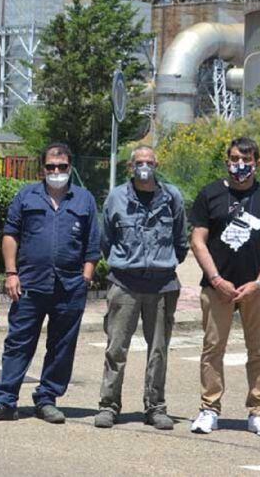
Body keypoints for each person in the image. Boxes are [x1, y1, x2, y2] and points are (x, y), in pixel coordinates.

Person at [0, 142, 100, 424]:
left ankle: (47, 398)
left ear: (70, 167)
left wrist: (86, 276)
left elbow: (93, 242)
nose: (56, 171)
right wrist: (11, 273)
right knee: (18, 342)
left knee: (61, 346)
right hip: (30, 283)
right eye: (51, 167)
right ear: (42, 168)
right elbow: (10, 235)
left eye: (62, 167)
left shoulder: (84, 199)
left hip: (69, 286)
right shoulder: (26, 196)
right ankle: (4, 401)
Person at [189, 137, 260, 438]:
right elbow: (198, 241)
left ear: (256, 162)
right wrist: (217, 280)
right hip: (217, 287)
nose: (239, 165)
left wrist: (259, 283)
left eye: (245, 160)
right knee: (212, 349)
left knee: (259, 350)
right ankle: (209, 409)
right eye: (234, 159)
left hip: (257, 289)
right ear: (227, 160)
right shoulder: (210, 194)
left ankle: (258, 412)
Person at [94, 145, 188, 430]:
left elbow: (181, 241)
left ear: (157, 164)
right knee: (116, 348)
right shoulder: (116, 197)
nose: (144, 166)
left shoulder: (172, 197)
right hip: (125, 283)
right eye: (139, 162)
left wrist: (162, 263)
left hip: (161, 284)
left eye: (149, 162)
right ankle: (109, 406)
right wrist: (126, 263)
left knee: (158, 349)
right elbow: (106, 239)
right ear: (130, 167)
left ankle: (156, 407)